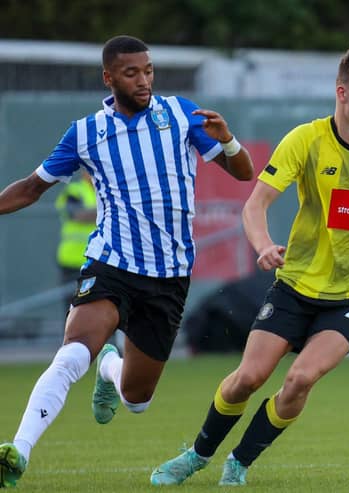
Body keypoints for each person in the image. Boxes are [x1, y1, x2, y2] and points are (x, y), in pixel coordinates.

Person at [150, 43, 349, 487]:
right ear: (341, 92)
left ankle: (239, 462)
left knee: (301, 379)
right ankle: (197, 454)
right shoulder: (305, 140)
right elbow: (255, 205)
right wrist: (263, 244)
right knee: (248, 378)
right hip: (296, 284)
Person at [0, 35, 254, 488]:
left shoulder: (180, 114)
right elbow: (31, 187)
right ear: (109, 77)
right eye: (132, 73)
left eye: (149, 71)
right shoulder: (85, 133)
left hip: (170, 276)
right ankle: (17, 450)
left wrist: (229, 141)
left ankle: (110, 369)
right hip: (112, 262)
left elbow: (244, 173)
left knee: (138, 399)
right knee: (73, 351)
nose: (144, 80)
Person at [55, 170, 97, 308]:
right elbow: (79, 215)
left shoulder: (108, 192)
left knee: (102, 309)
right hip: (73, 261)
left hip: (99, 261)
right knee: (73, 308)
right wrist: (112, 210)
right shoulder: (74, 191)